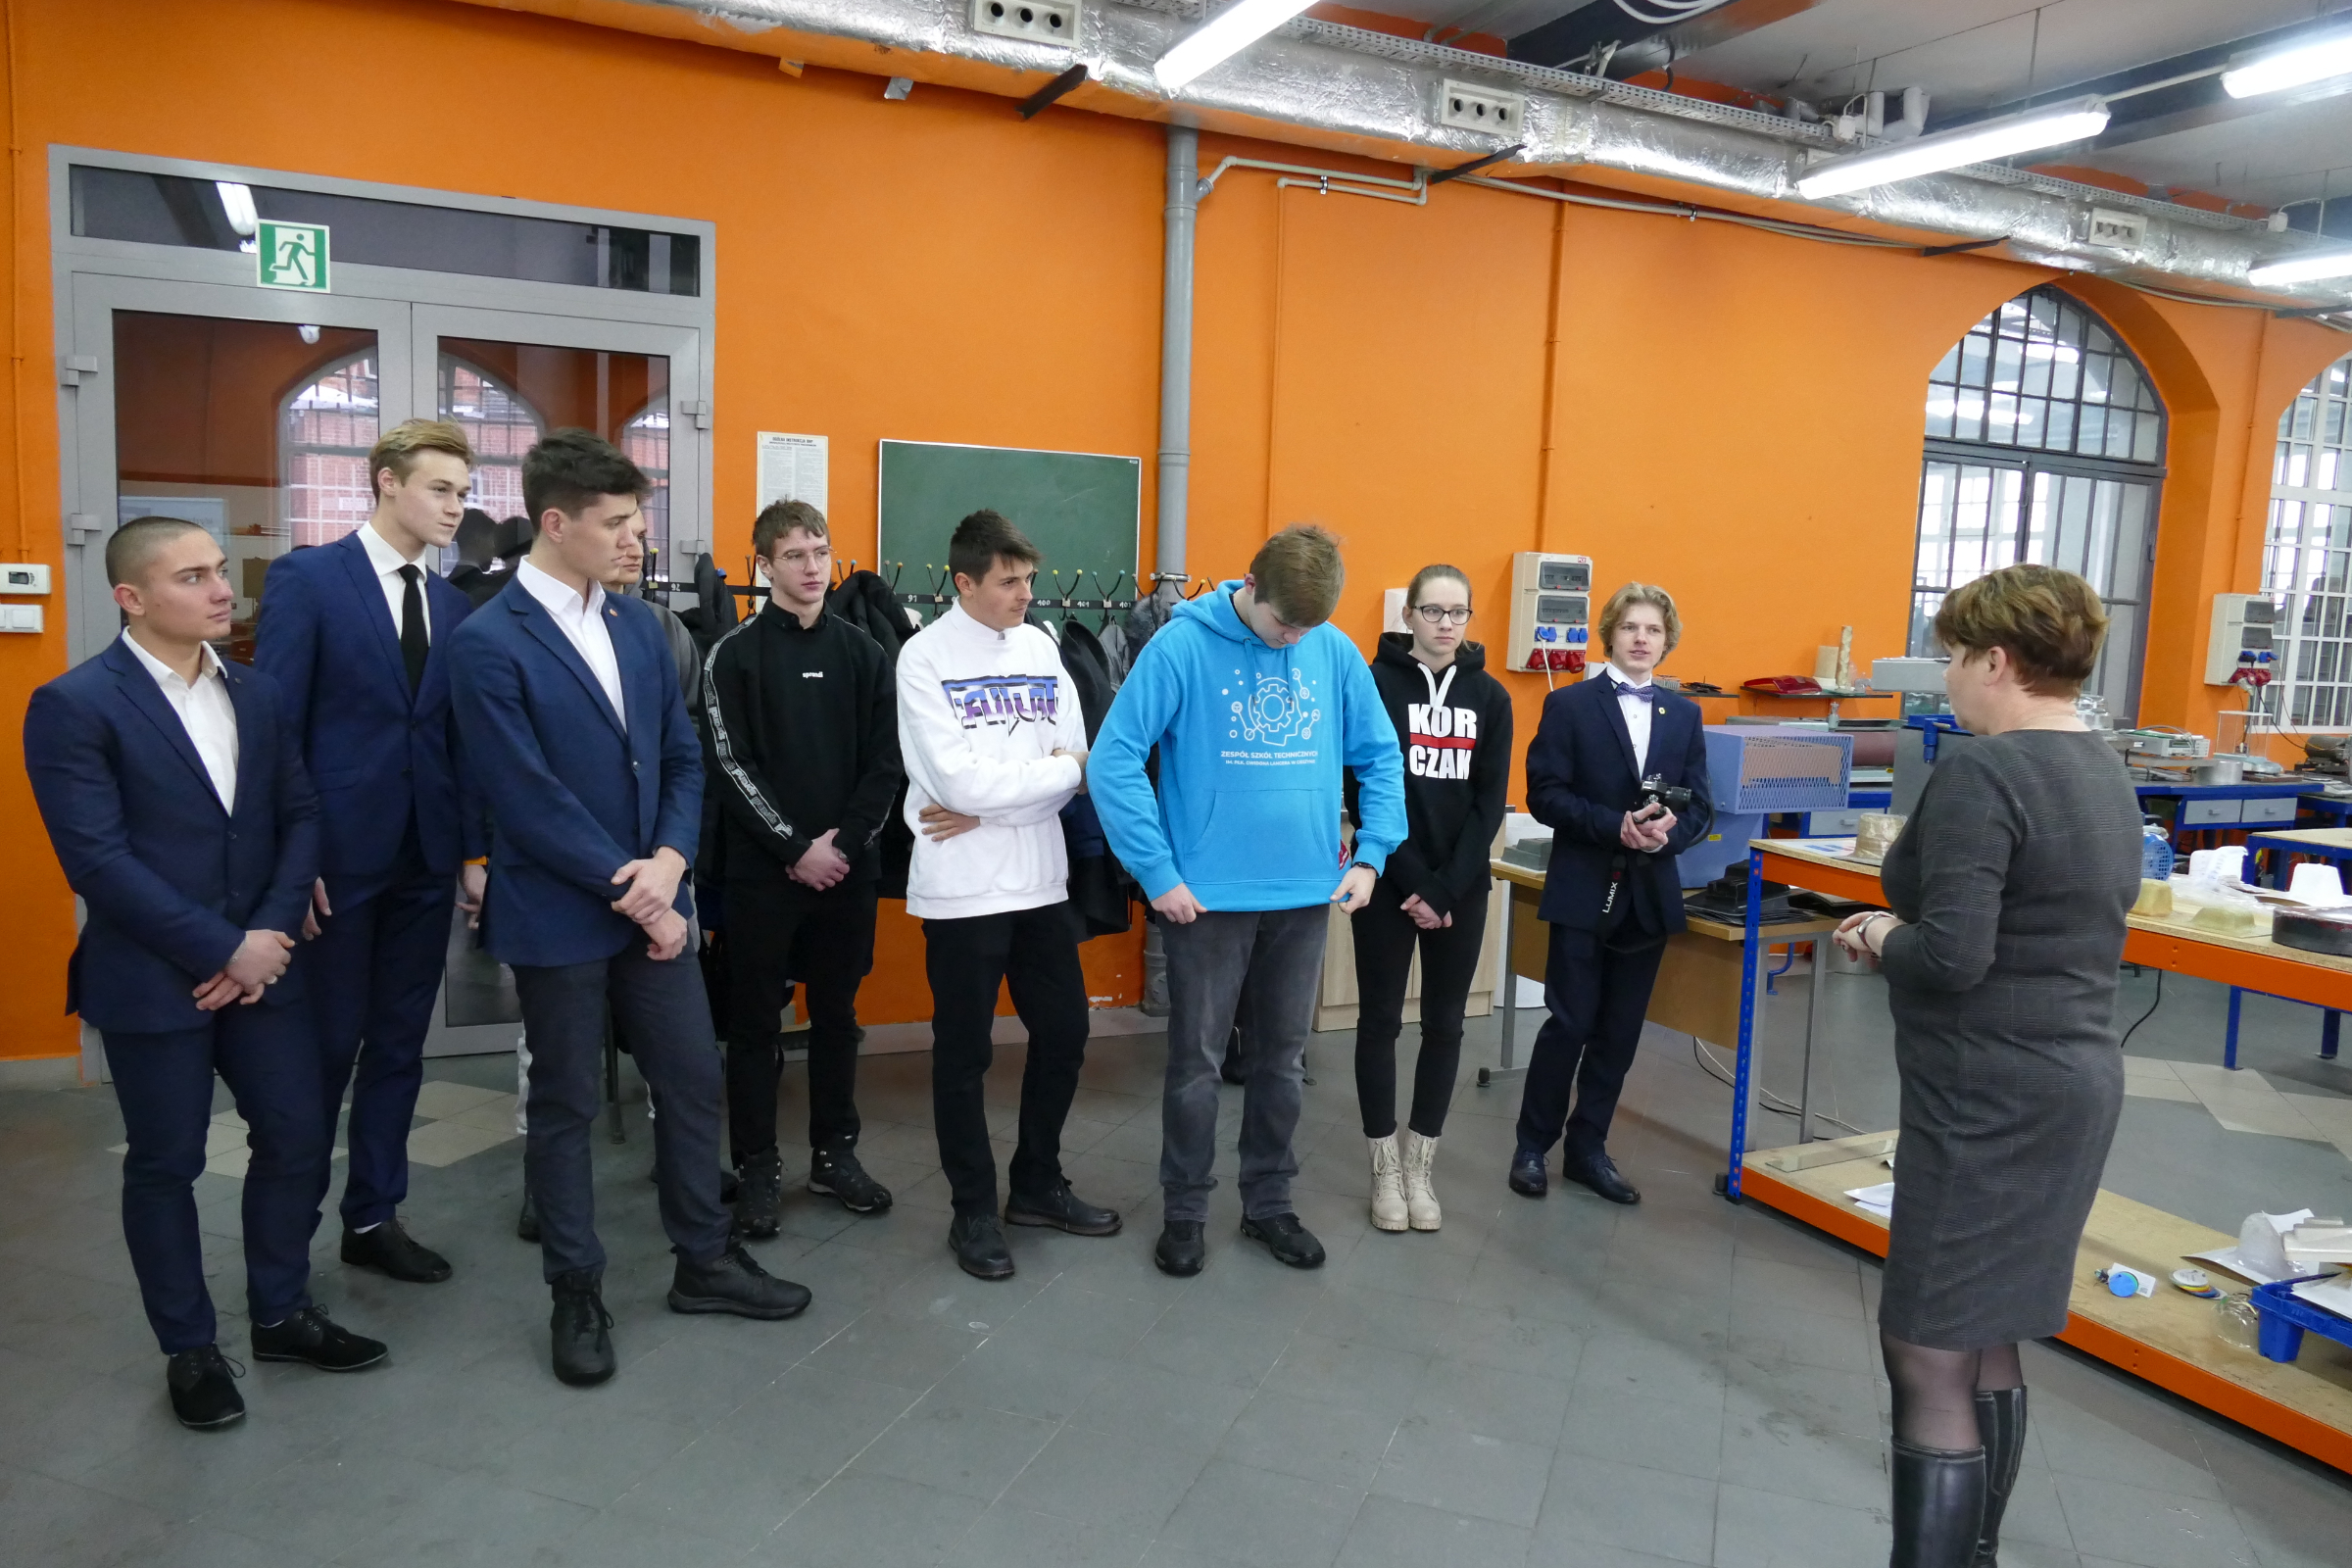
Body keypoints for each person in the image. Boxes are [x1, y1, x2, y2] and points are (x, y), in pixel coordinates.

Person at [447, 429, 808, 1388]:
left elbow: (683, 754)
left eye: (636, 521)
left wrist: (673, 861)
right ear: (554, 522)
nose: (635, 538)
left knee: (689, 1080)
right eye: (615, 523)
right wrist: (642, 894)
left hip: (656, 897)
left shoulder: (642, 629)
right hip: (562, 914)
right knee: (565, 1102)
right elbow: (526, 800)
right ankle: (575, 1289)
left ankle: (704, 1259)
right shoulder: (486, 642)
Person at [25, 517, 388, 1430]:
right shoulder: (74, 704)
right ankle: (189, 1350)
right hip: (155, 978)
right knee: (168, 1162)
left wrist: (265, 933)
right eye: (193, 577)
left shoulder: (258, 693)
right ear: (131, 598)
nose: (224, 590)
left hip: (265, 967)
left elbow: (300, 815)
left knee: (298, 1135)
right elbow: (97, 862)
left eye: (221, 571)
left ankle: (281, 1312)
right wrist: (222, 948)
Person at [1830, 564, 2140, 1568]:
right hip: (2070, 1084)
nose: (1950, 677)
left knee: (1926, 1345)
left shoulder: (1985, 773)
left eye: (1956, 657)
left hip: (1985, 1099)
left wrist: (1881, 933)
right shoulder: (2102, 767)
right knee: (1988, 1328)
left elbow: (1953, 957)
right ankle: (1977, 1553)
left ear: (1996, 661)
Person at [1091, 523, 1405, 1277]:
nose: (1293, 637)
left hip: (1302, 895)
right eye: (1284, 623)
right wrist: (1157, 871)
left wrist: (1372, 855)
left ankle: (1269, 1204)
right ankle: (1186, 1212)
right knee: (1196, 1065)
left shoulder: (1331, 650)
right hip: (1204, 900)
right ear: (1251, 586)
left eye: (1307, 627)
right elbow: (1114, 758)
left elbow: (1380, 755)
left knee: (1282, 1064)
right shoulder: (1181, 645)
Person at [255, 418, 485, 1288]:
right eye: (440, 489)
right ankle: (287, 1245)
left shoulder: (453, 605)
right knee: (323, 1052)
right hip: (335, 863)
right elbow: (276, 728)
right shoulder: (311, 578)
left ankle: (374, 1216)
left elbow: (456, 741)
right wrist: (293, 860)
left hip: (424, 857)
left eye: (463, 493)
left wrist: (472, 855)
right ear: (386, 481)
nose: (456, 508)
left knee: (398, 1045)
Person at [897, 509, 1121, 1281]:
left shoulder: (1041, 647)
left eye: (1029, 578)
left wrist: (1001, 798)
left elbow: (1080, 764)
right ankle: (971, 1210)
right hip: (961, 891)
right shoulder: (923, 658)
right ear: (964, 582)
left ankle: (1036, 1185)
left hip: (1040, 882)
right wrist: (1037, 781)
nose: (1026, 594)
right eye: (1008, 582)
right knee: (965, 1053)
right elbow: (956, 782)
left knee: (1065, 1034)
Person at [703, 500, 902, 1234]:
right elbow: (730, 766)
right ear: (764, 565)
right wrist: (795, 848)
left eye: (820, 552)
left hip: (847, 873)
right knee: (755, 1026)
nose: (812, 568)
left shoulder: (865, 653)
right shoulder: (733, 655)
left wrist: (840, 848)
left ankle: (834, 1156)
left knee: (838, 1018)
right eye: (794, 555)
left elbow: (887, 762)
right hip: (764, 878)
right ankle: (758, 1167)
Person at [1509, 582, 1711, 1207]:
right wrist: (1611, 825)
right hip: (1584, 887)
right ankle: (1531, 1147)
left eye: (1653, 630)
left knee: (1619, 1032)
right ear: (1610, 635)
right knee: (1569, 1023)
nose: (1641, 639)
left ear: (1667, 641)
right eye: (1630, 628)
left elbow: (1700, 805)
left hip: (1648, 894)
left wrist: (1670, 835)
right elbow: (1545, 794)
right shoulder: (1569, 705)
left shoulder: (1684, 715)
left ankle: (1588, 1149)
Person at [1349, 564, 1511, 1233]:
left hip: (1460, 890)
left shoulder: (1492, 697)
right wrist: (1415, 881)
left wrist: (1445, 888)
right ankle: (1384, 1168)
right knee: (1380, 1022)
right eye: (1433, 611)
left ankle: (1420, 1168)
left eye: (1458, 612)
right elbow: (1360, 789)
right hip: (1388, 880)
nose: (1447, 624)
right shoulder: (1373, 683)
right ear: (1408, 615)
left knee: (1446, 1025)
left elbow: (1489, 802)